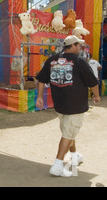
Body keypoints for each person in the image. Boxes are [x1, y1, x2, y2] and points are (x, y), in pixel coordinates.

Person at [36, 35, 100, 177]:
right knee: (68, 133)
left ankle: (74, 155)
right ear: (73, 46)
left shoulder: (52, 60)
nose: (80, 47)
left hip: (60, 105)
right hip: (76, 105)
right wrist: (96, 96)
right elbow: (93, 82)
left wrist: (40, 97)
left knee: (68, 131)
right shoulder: (79, 61)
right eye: (79, 45)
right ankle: (57, 165)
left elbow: (41, 80)